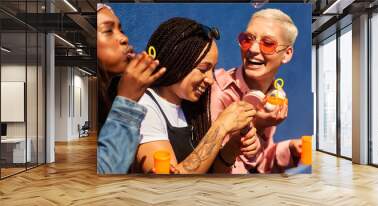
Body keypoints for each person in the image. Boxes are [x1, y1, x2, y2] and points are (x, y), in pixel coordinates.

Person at [134, 17, 256, 174]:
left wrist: (231, 149)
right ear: (176, 60)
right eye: (204, 69)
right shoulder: (145, 108)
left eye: (213, 70)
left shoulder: (189, 105)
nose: (211, 80)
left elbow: (212, 174)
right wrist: (221, 127)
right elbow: (168, 185)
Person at [211, 9, 302, 173]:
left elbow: (257, 162)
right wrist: (256, 124)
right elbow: (218, 166)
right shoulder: (220, 90)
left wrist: (291, 149)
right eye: (247, 39)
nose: (252, 49)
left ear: (287, 54)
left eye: (267, 43)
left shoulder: (274, 95)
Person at [96, 4, 166, 174]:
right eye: (108, 31)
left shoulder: (111, 96)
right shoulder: (119, 97)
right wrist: (127, 101)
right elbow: (105, 172)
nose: (123, 39)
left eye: (121, 30)